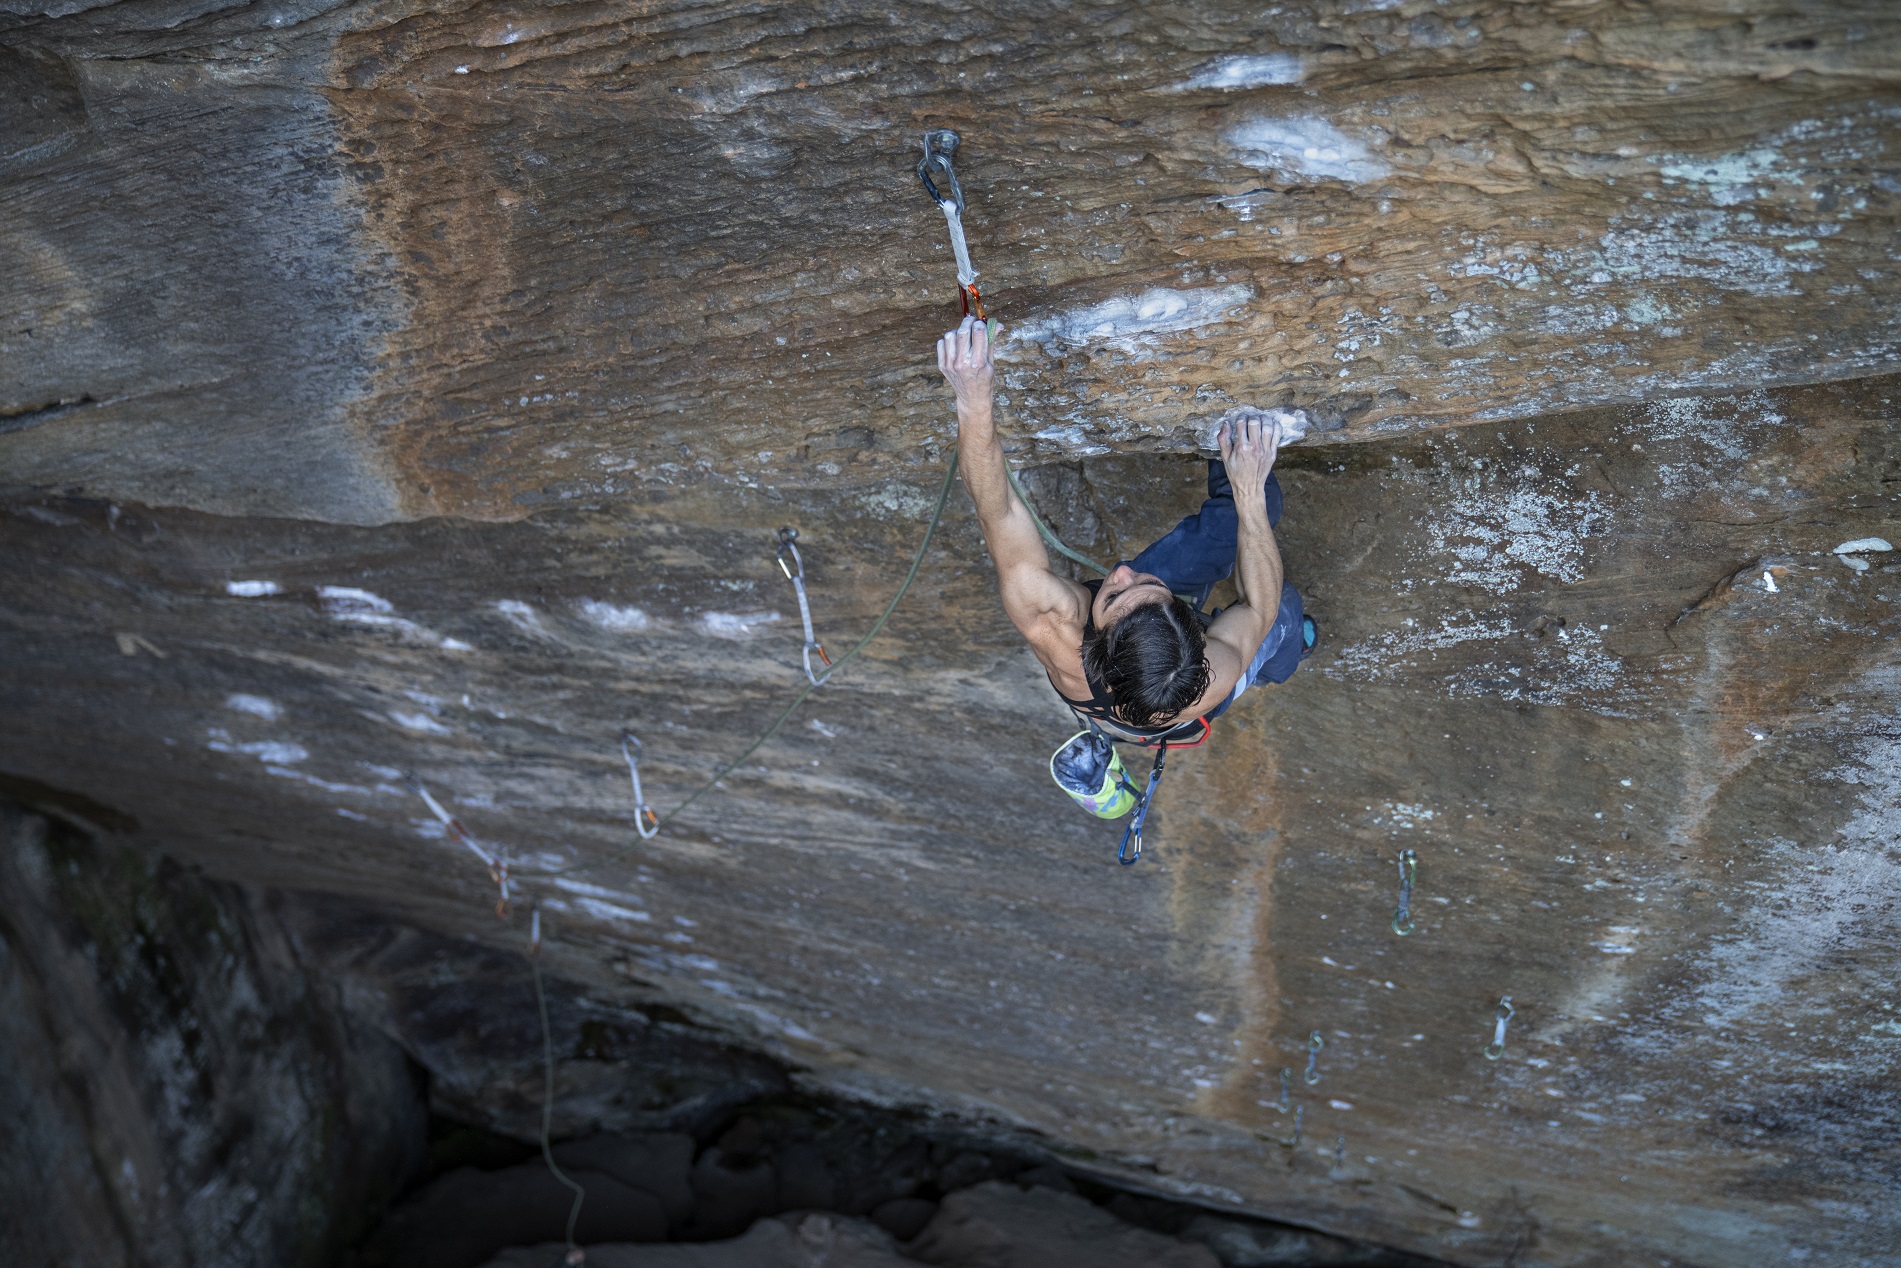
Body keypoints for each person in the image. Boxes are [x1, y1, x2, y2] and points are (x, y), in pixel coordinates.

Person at [937, 316, 1311, 742]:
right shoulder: (1216, 673)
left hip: (1126, 681)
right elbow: (1258, 609)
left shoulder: (1051, 624)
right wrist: (1249, 492)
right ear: (1198, 635)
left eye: (1116, 594)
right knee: (1281, 604)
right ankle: (1281, 664)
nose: (1121, 572)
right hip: (1193, 697)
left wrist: (972, 400)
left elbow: (997, 512)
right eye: (1143, 584)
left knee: (1245, 519)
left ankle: (1221, 443)